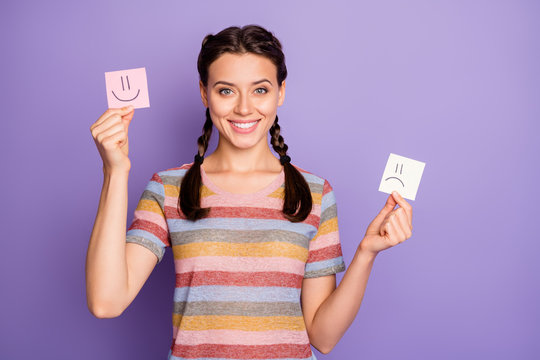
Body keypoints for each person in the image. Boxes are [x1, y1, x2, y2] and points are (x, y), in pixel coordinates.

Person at [86, 24, 413, 360]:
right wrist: (115, 171)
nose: (244, 108)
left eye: (260, 90)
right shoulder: (169, 188)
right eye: (226, 91)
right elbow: (106, 301)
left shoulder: (315, 193)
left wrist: (366, 252)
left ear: (280, 92)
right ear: (204, 92)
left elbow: (323, 337)